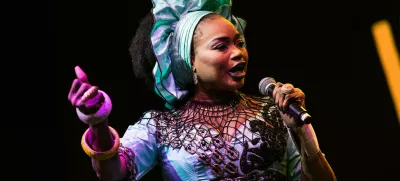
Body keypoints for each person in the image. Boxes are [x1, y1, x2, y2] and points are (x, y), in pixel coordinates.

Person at [67, 0, 337, 180]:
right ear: (191, 61)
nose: (238, 53)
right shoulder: (161, 127)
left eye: (239, 42)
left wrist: (303, 132)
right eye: (221, 46)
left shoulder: (272, 111)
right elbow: (113, 172)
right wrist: (98, 122)